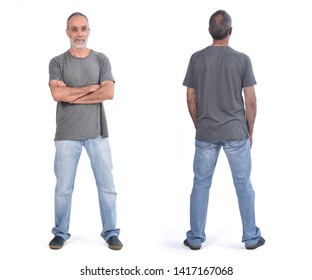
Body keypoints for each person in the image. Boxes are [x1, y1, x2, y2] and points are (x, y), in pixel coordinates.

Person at [183, 10, 265, 250]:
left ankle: (195, 238)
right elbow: (250, 100)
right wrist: (250, 130)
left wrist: (200, 124)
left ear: (210, 31)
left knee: (200, 184)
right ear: (230, 31)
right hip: (235, 132)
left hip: (206, 132)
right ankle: (251, 237)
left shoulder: (196, 58)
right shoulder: (242, 59)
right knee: (243, 184)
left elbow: (190, 97)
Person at [48, 12, 122, 250]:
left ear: (89, 31)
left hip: (97, 134)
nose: (79, 33)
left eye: (83, 28)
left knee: (107, 186)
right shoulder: (57, 62)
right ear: (67, 32)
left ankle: (111, 233)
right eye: (74, 29)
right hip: (66, 135)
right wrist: (92, 88)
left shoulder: (101, 60)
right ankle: (60, 232)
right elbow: (57, 95)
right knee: (63, 189)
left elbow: (108, 93)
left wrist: (73, 93)